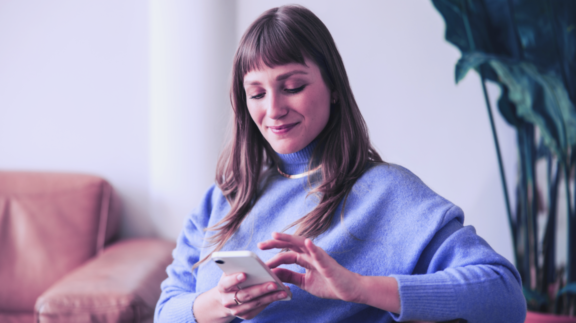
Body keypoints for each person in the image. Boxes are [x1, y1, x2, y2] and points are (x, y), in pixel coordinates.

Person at [154, 5, 526, 323]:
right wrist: (218, 304)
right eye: (257, 93)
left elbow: (504, 293)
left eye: (293, 86)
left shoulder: (385, 192)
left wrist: (360, 287)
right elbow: (166, 310)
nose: (273, 109)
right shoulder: (223, 199)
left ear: (333, 88)